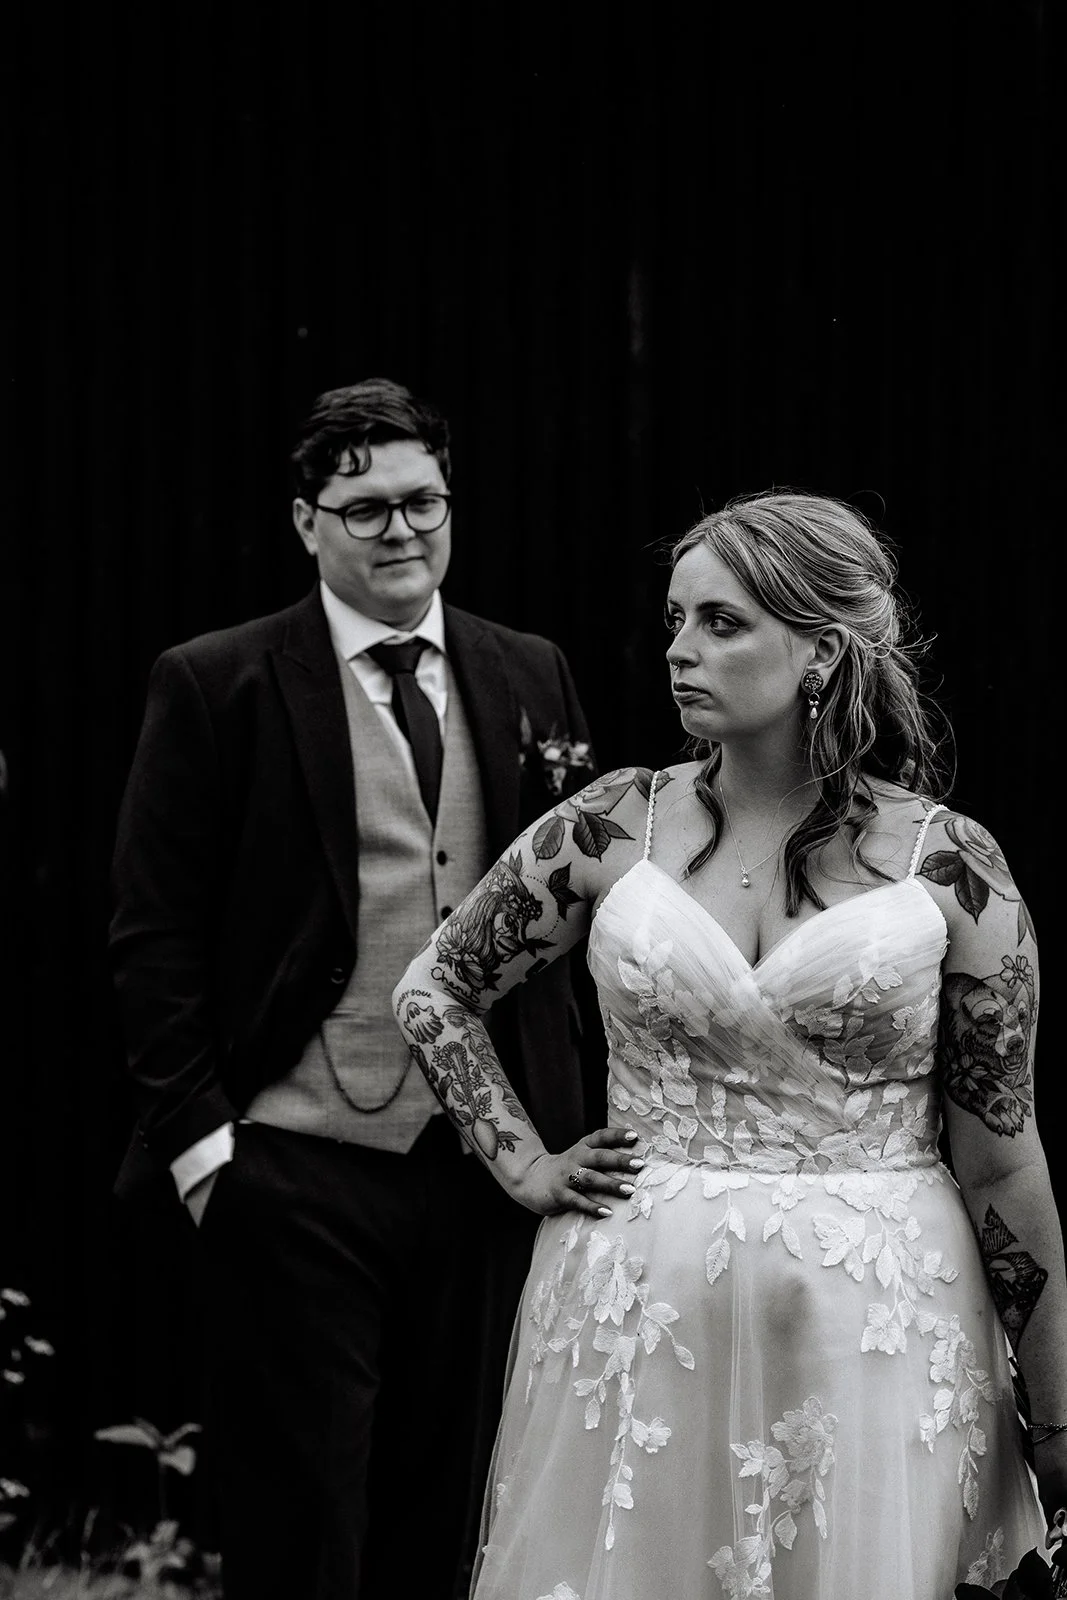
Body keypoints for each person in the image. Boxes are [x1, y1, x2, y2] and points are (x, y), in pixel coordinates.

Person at [392, 489, 1067, 1600]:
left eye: (720, 623)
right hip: (637, 1314)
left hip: (872, 1322)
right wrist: (523, 1163)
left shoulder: (948, 867)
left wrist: (1053, 1415)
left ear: (820, 651)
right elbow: (436, 987)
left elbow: (1000, 1154)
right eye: (672, 620)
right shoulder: (612, 825)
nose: (678, 651)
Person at [107, 377, 616, 1600]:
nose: (401, 531)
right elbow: (152, 930)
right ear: (305, 522)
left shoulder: (526, 668)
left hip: (488, 1166)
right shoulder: (218, 679)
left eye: (422, 503)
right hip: (294, 1161)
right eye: (366, 507)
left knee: (448, 1510)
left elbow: (587, 910)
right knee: (300, 1518)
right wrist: (202, 1155)